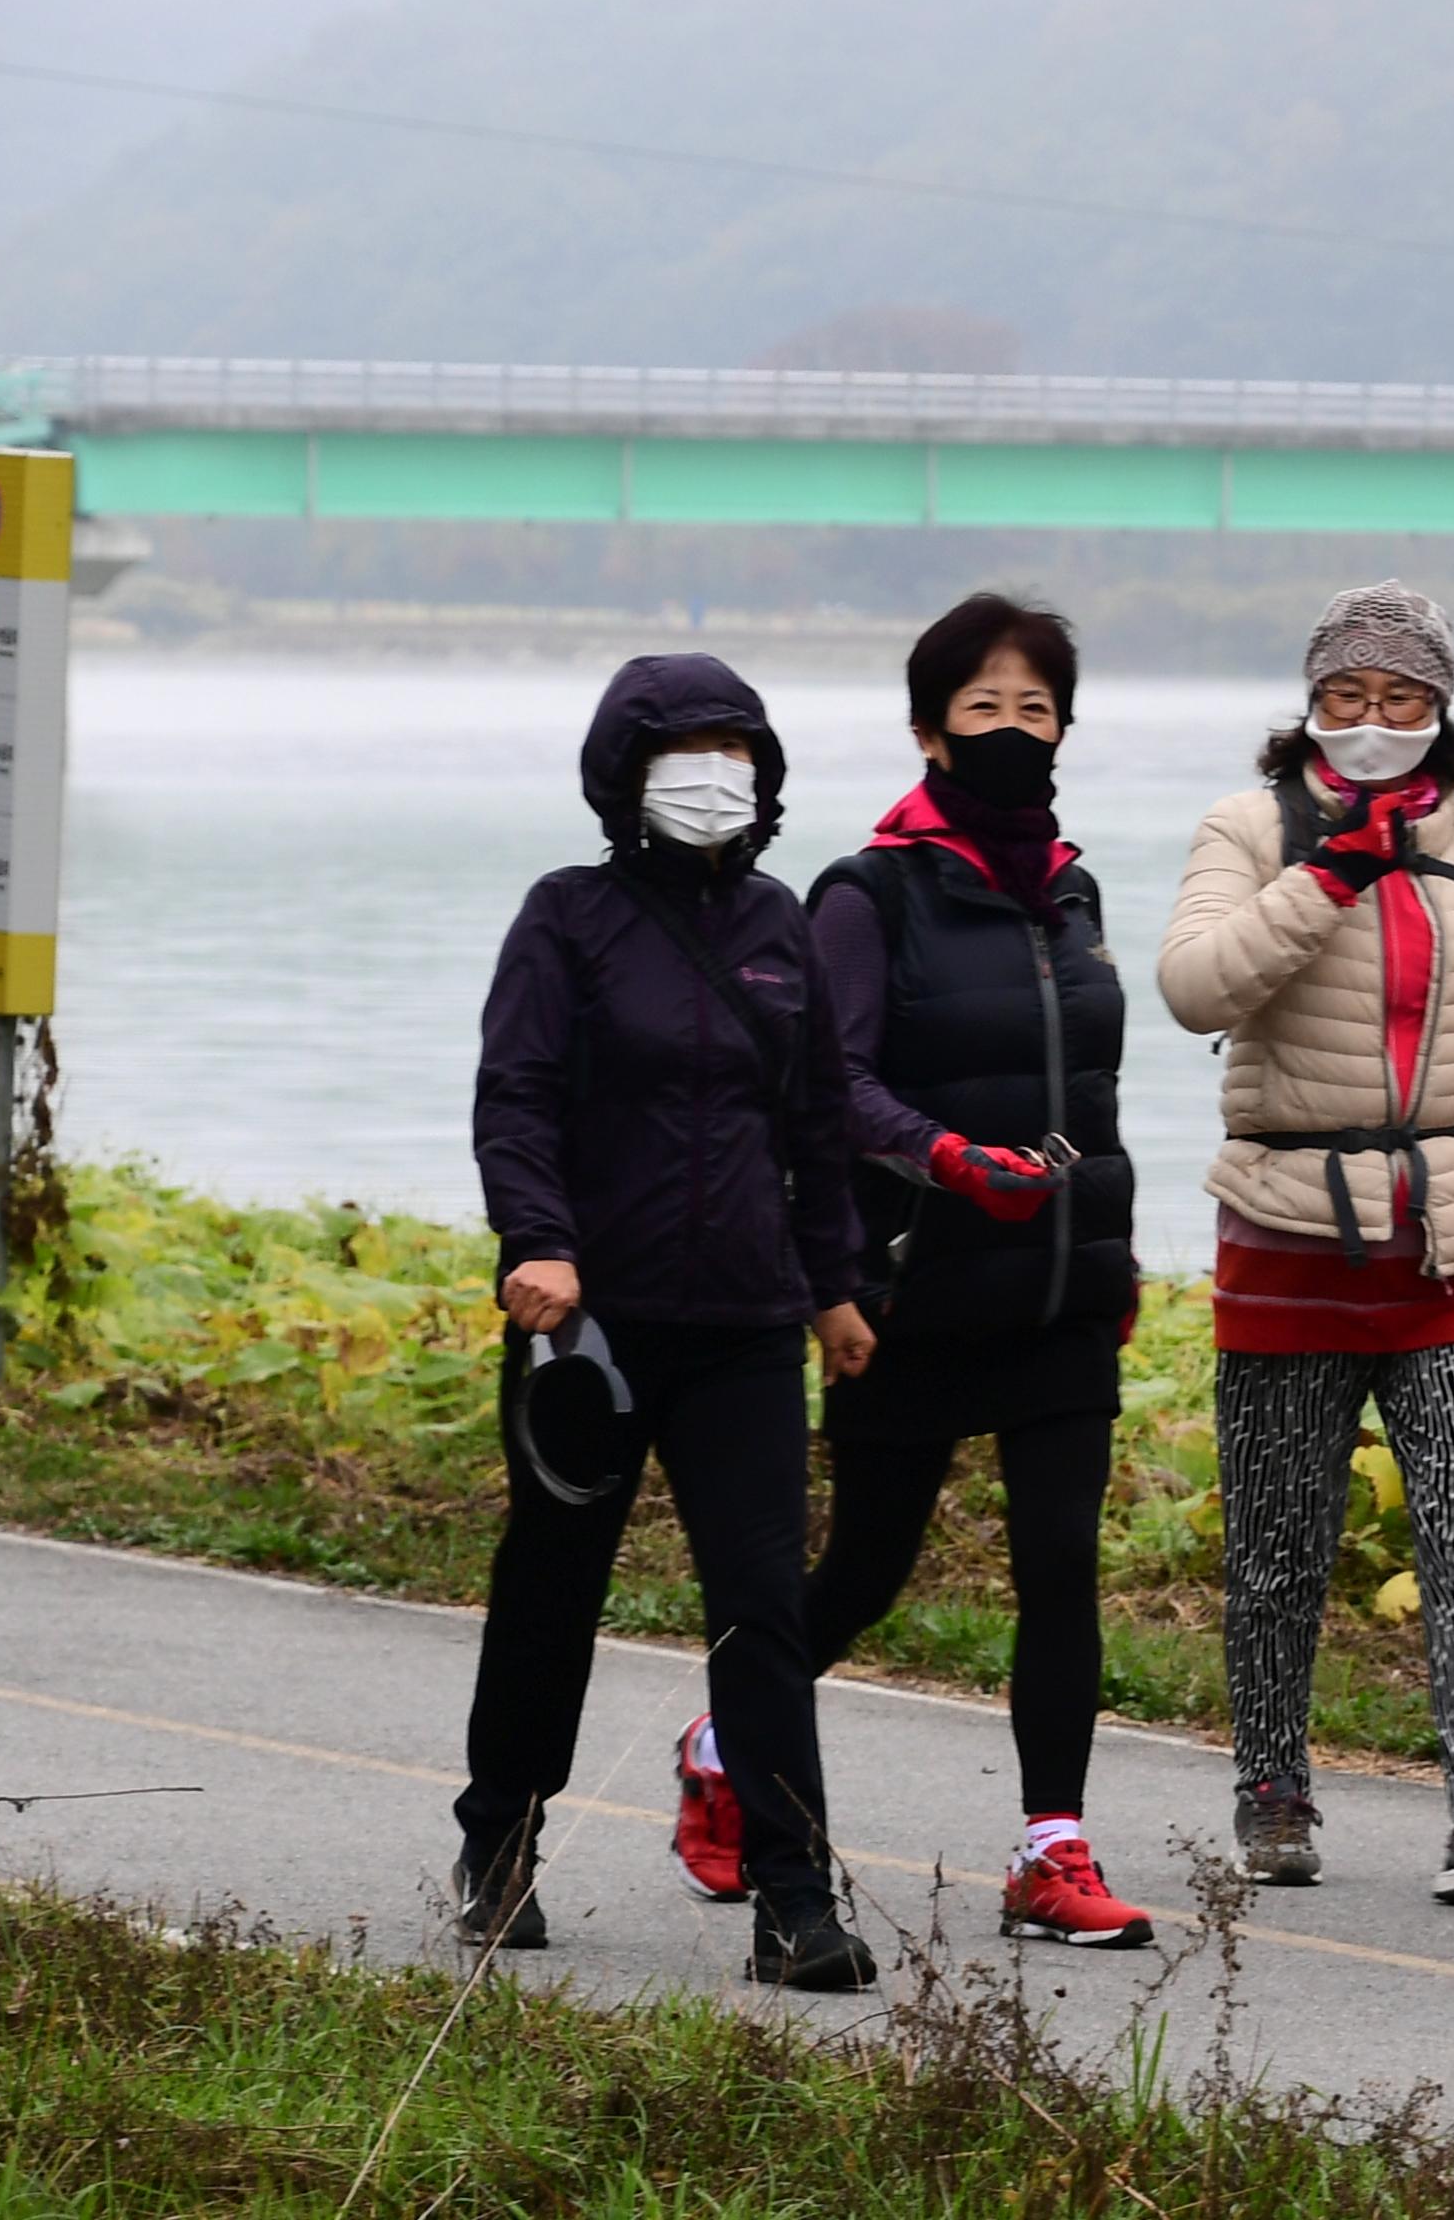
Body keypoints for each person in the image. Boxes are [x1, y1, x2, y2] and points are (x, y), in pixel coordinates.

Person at [1155, 581, 1454, 1906]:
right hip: (1291, 1233)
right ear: (1310, 705)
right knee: (1283, 1548)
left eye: (1399, 699)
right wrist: (1333, 869)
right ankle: (1274, 1790)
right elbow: (1195, 989)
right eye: (1346, 698)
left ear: (1441, 711)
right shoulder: (1249, 829)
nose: (1371, 722)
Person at [460, 652, 880, 1991]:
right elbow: (516, 1096)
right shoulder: (566, 919)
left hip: (746, 1324)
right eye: (683, 750)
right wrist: (540, 1244)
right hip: (589, 1325)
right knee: (552, 1589)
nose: (714, 775)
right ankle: (500, 1840)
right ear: (624, 774)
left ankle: (793, 1896)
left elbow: (815, 1126)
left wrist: (833, 1287)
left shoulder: (781, 929)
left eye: (735, 751)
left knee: (762, 1608)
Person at [755, 591, 1152, 1949]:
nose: (1012, 728)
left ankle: (1054, 1855)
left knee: (1060, 1566)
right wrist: (940, 1160)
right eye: (984, 707)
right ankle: (720, 1743)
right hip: (914, 1291)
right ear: (929, 728)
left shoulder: (1073, 890)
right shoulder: (869, 896)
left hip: (1057, 1297)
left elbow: (1089, 1088)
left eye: (1036, 708)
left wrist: (1116, 1248)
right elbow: (828, 1085)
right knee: (867, 1569)